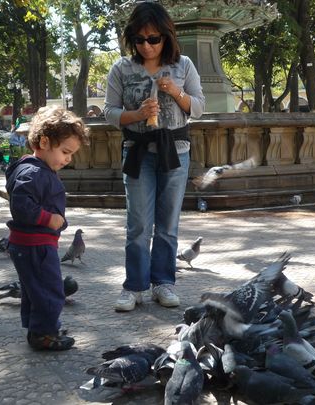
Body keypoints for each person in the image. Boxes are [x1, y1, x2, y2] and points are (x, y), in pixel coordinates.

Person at [104, 2, 205, 312]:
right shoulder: (122, 68)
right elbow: (109, 112)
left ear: (167, 36)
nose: (146, 46)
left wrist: (176, 92)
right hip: (137, 152)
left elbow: (199, 108)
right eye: (139, 39)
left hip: (175, 152)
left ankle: (163, 283)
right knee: (138, 223)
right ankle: (134, 286)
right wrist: (135, 114)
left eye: (153, 38)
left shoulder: (183, 65)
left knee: (167, 224)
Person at [5, 106, 90, 351]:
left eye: (71, 154)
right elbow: (21, 204)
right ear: (44, 142)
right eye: (65, 152)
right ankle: (44, 334)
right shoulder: (34, 172)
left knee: (35, 290)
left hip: (31, 244)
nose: (68, 159)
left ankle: (40, 328)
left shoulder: (31, 168)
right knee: (51, 290)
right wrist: (47, 219)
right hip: (35, 245)